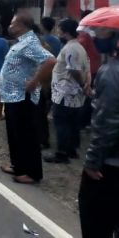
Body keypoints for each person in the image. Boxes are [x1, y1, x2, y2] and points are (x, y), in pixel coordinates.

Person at [0, 12, 56, 184]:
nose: (10, 26)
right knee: (15, 134)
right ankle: (18, 165)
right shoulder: (22, 42)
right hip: (12, 96)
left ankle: (31, 173)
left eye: (12, 23)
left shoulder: (30, 42)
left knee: (26, 135)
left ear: (21, 25)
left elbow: (50, 61)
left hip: (22, 97)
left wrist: (34, 81)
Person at [78, 27, 119, 237]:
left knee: (96, 223)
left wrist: (93, 162)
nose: (97, 38)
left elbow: (108, 123)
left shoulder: (111, 70)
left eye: (104, 34)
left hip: (109, 168)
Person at [44, 19, 90, 164]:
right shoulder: (79, 47)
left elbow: (73, 69)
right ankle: (71, 149)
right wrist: (86, 84)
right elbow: (85, 68)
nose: (58, 31)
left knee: (62, 123)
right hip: (73, 93)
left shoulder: (70, 48)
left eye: (60, 29)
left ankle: (62, 153)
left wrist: (83, 83)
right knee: (72, 123)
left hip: (66, 91)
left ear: (65, 31)